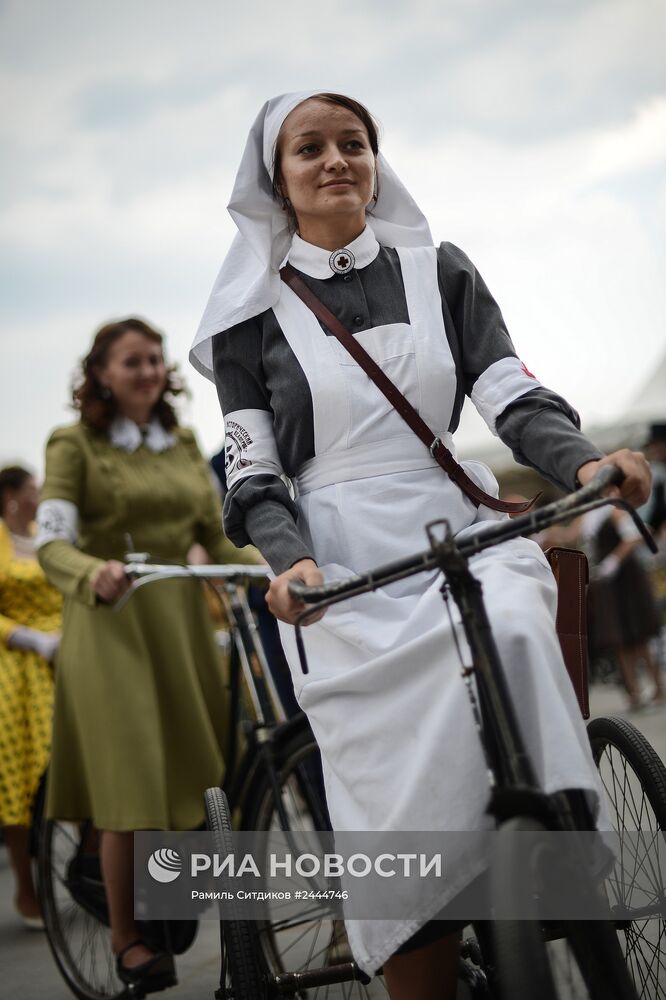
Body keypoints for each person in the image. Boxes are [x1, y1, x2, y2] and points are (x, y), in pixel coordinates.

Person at [190, 92, 652, 1000]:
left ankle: (556, 856)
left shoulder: (440, 270)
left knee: (518, 619)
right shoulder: (246, 318)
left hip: (454, 515)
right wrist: (291, 565)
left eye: (353, 144)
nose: (336, 161)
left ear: (376, 160)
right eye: (310, 148)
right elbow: (253, 477)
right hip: (334, 554)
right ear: (275, 182)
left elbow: (512, 396)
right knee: (393, 776)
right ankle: (424, 934)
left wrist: (587, 463)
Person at [36, 318, 257, 994]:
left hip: (180, 625)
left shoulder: (183, 442)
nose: (147, 370)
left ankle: (215, 933)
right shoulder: (74, 444)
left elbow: (217, 539)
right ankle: (127, 937)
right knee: (131, 782)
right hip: (110, 627)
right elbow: (51, 544)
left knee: (206, 775)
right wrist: (90, 572)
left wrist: (275, 566)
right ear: (101, 373)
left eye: (155, 360)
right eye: (131, 361)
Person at [0, 465, 60, 928]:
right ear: (13, 497)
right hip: (15, 670)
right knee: (21, 781)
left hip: (65, 658)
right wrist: (28, 638)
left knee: (80, 765)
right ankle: (26, 886)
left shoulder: (46, 537)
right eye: (33, 489)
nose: (40, 495)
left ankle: (93, 870)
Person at [582, 506, 663, 709]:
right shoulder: (589, 513)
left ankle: (658, 688)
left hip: (626, 579)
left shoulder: (613, 510)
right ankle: (634, 693)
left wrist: (614, 561)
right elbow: (571, 534)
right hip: (608, 583)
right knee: (618, 638)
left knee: (640, 635)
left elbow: (635, 537)